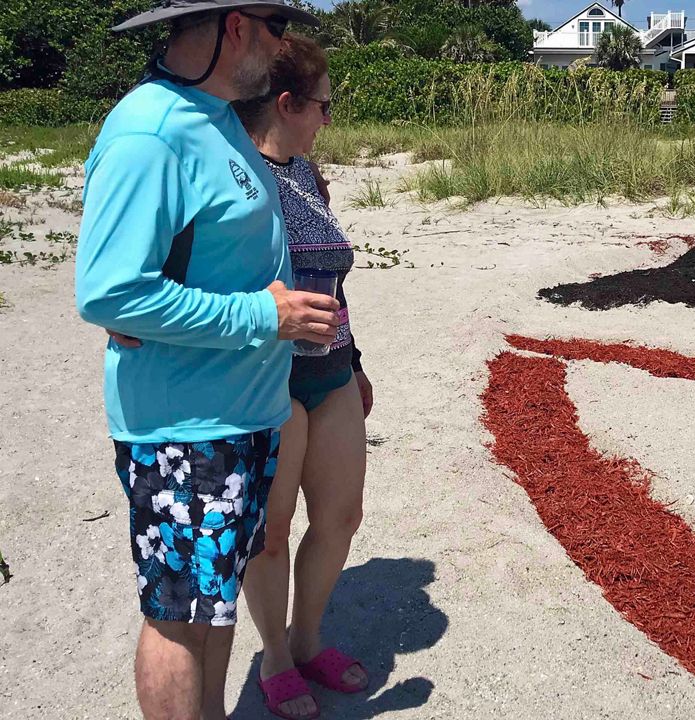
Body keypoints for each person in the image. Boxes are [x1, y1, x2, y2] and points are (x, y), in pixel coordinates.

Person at [74, 2, 338, 719]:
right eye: (276, 26)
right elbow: (108, 291)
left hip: (241, 417)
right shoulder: (149, 131)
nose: (283, 44)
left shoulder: (217, 115)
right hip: (184, 429)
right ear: (235, 26)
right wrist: (264, 316)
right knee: (179, 617)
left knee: (211, 609)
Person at [232, 35, 373, 720]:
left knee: (341, 516)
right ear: (286, 103)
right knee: (273, 527)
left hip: (333, 369)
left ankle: (307, 637)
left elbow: (334, 282)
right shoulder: (234, 176)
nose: (328, 116)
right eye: (323, 103)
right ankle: (275, 659)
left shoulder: (310, 174)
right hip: (268, 377)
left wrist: (359, 359)